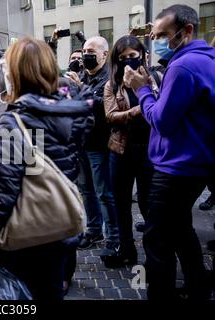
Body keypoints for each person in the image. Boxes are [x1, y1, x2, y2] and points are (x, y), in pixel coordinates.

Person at [0, 36, 94, 300]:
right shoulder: (72, 112)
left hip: (25, 240)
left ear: (14, 74)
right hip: (60, 230)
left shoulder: (13, 121)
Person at [124, 4, 215, 300]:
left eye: (163, 34)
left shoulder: (182, 66)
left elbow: (161, 121)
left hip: (176, 167)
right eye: (155, 34)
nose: (157, 40)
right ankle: (198, 287)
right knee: (181, 230)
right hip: (195, 163)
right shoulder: (205, 60)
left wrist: (142, 90)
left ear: (186, 31)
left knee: (158, 240)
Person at [104, 35, 160, 266]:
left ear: (142, 55)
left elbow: (162, 109)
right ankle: (126, 250)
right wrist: (138, 109)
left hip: (149, 151)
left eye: (133, 56)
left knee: (149, 205)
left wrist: (147, 91)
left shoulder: (155, 77)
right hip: (121, 151)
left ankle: (153, 255)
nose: (128, 61)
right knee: (121, 204)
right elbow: (110, 115)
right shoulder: (113, 83)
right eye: (123, 57)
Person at [68, 37, 120, 266]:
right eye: (84, 50)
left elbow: (102, 106)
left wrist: (79, 88)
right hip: (81, 142)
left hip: (100, 144)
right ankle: (94, 229)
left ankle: (113, 238)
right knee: (86, 191)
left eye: (91, 51)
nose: (86, 54)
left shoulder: (109, 78)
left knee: (104, 193)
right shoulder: (83, 75)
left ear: (105, 54)